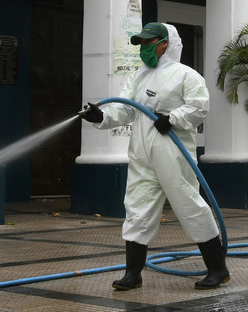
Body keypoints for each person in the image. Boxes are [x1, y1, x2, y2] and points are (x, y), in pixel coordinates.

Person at [79, 22, 230, 291]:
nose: (144, 48)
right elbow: (126, 109)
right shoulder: (138, 77)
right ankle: (132, 274)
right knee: (137, 208)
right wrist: (101, 117)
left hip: (173, 151)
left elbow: (199, 107)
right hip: (141, 153)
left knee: (189, 205)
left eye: (149, 43)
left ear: (166, 44)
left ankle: (218, 269)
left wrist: (173, 118)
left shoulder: (186, 75)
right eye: (141, 44)